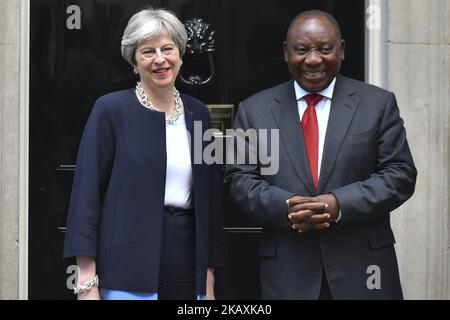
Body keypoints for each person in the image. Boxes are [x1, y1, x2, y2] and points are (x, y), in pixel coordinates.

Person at [224, 10, 416, 299]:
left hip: (363, 270)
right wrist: (287, 207)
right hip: (289, 270)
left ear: (342, 50)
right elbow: (239, 180)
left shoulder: (377, 103)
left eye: (325, 49)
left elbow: (400, 174)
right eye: (302, 50)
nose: (313, 59)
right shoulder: (255, 110)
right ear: (286, 53)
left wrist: (339, 204)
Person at [63, 7, 224, 300]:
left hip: (188, 261)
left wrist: (209, 277)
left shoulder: (197, 113)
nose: (160, 59)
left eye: (167, 49)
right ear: (134, 60)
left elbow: (210, 200)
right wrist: (86, 281)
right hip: (126, 264)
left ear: (180, 54)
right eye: (148, 51)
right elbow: (86, 197)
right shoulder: (110, 110)